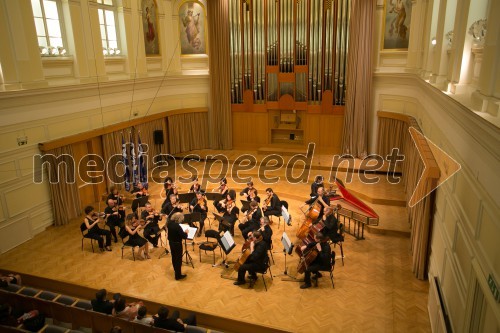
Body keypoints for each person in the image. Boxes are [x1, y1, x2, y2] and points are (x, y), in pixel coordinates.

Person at [167, 212, 188, 280]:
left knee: (174, 257)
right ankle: (178, 276)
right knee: (178, 259)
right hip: (177, 244)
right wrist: (186, 232)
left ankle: (176, 271)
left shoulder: (169, 223)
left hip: (171, 242)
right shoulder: (177, 226)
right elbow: (184, 236)